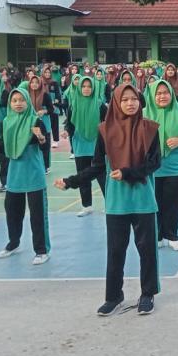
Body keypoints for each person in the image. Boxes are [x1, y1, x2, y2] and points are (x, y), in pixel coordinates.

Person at [56, 83, 162, 316]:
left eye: (134, 99)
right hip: (116, 202)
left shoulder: (150, 129)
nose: (130, 103)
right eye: (124, 99)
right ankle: (113, 296)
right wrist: (71, 181)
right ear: (115, 102)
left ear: (140, 101)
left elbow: (154, 164)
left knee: (147, 250)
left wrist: (128, 173)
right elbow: (96, 166)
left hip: (143, 200)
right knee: (115, 251)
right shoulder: (104, 131)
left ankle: (148, 294)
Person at [0, 89, 51, 265]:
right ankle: (14, 243)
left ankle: (42, 250)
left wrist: (41, 137)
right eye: (14, 100)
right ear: (10, 103)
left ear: (27, 102)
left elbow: (44, 147)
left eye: (21, 100)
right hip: (14, 175)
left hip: (33, 174)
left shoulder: (36, 121)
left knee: (37, 215)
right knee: (12, 212)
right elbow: (5, 147)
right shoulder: (6, 122)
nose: (18, 103)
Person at [144, 80, 178, 252]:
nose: (162, 96)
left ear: (171, 94)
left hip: (177, 165)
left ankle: (172, 236)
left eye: (165, 93)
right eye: (158, 93)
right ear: (152, 95)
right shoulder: (143, 114)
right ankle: (158, 235)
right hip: (152, 167)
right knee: (155, 203)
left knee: (174, 203)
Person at [63, 77, 108, 217]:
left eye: (89, 86)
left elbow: (108, 123)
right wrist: (66, 131)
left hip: (97, 145)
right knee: (83, 176)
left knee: (102, 176)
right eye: (84, 86)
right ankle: (87, 206)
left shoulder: (100, 105)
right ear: (80, 88)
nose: (86, 89)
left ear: (93, 88)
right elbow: (69, 124)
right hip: (80, 145)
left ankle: (109, 203)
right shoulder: (73, 105)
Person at [27, 75, 54, 173]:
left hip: (44, 123)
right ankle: (34, 165)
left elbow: (51, 109)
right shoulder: (27, 95)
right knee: (33, 145)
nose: (34, 84)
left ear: (40, 84)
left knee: (45, 145)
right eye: (32, 82)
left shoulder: (45, 95)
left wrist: (44, 111)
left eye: (36, 82)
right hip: (31, 124)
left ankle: (46, 166)